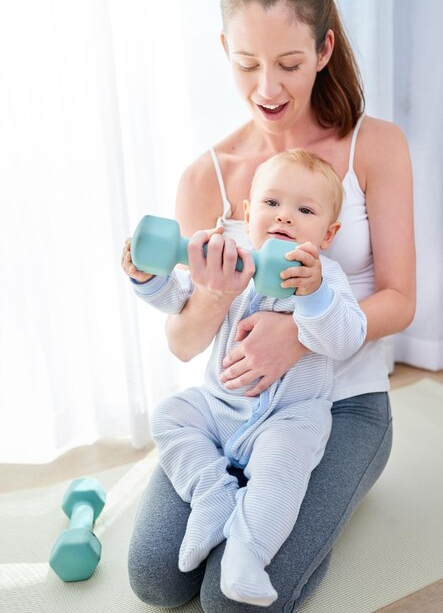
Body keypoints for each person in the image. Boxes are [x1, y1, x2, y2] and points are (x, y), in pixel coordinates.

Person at [124, 0, 415, 611]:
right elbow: (180, 341)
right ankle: (225, 494)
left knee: (231, 602)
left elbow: (400, 299)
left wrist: (301, 333)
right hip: (230, 409)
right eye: (247, 63)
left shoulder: (376, 147)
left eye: (288, 62)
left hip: (340, 410)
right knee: (155, 577)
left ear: (323, 49)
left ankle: (311, 524)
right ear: (224, 51)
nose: (268, 87)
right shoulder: (207, 175)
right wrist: (208, 297)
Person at [123, 149, 367, 606]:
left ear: (329, 234)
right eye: (272, 204)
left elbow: (347, 338)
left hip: (288, 418)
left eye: (306, 210)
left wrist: (312, 297)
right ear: (248, 214)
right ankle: (211, 493)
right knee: (170, 415)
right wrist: (148, 279)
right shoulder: (231, 260)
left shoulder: (326, 280)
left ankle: (247, 552)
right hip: (218, 408)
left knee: (283, 467)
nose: (285, 218)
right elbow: (180, 300)